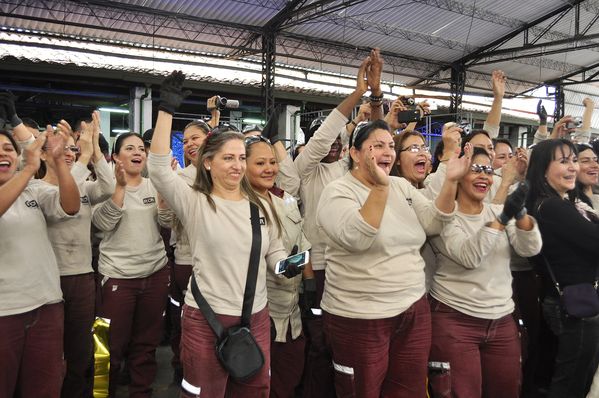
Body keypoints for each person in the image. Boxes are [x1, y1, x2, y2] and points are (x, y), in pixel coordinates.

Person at [147, 70, 290, 397]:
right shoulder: (195, 202)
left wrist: (286, 266)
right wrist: (166, 110)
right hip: (205, 319)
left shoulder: (261, 206)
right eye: (229, 158)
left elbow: (274, 251)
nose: (238, 165)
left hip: (255, 319)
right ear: (207, 163)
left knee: (255, 391)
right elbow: (157, 169)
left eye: (241, 158)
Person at [316, 119, 470, 397]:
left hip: (412, 308)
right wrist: (380, 187)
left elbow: (435, 222)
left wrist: (450, 181)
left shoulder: (401, 186)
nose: (387, 152)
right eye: (377, 146)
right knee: (362, 390)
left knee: (408, 389)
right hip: (360, 316)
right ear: (355, 153)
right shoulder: (338, 192)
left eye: (390, 145)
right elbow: (358, 238)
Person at [296, 49, 384, 398]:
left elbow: (376, 140)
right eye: (325, 141)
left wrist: (375, 97)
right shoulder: (304, 172)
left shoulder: (350, 169)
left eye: (338, 141)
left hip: (349, 266)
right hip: (315, 268)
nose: (331, 145)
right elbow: (319, 142)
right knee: (318, 342)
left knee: (347, 346)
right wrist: (357, 93)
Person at [427, 147, 542, 398]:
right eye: (476, 169)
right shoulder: (442, 217)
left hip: (501, 320)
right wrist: (503, 215)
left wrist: (520, 213)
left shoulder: (495, 211)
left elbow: (529, 248)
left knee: (507, 390)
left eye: (488, 170)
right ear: (458, 174)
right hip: (454, 319)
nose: (484, 176)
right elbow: (469, 256)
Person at [0, 128, 80, 398]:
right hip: (4, 313)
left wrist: (57, 160)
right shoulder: (25, 179)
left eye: (8, 148)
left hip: (45, 305)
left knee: (44, 388)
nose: (3, 153)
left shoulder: (32, 190)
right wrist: (28, 169)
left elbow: (70, 206)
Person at [40, 111, 114, 398]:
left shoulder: (83, 185)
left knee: (83, 347)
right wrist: (83, 159)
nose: (69, 153)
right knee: (51, 350)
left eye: (73, 148)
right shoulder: (37, 189)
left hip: (83, 276)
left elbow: (107, 186)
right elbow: (62, 200)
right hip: (51, 280)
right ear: (44, 155)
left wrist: (94, 150)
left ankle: (82, 391)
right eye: (61, 149)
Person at [92, 132, 171, 397]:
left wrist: (165, 198)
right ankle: (102, 393)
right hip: (116, 277)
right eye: (129, 148)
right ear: (115, 157)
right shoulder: (103, 187)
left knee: (146, 344)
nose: (138, 152)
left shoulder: (154, 186)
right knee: (105, 345)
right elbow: (102, 224)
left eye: (141, 148)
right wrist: (120, 188)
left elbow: (168, 222)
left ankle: (141, 391)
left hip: (155, 274)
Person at [526, 138, 599, 398]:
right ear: (543, 168)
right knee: (571, 382)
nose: (573, 168)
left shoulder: (567, 202)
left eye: (574, 161)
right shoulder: (552, 207)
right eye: (563, 161)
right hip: (572, 304)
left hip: (575, 300)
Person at [244, 134, 314, 397]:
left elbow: (303, 244)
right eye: (260, 163)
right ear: (243, 165)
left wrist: (309, 282)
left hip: (292, 311)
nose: (269, 169)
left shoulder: (285, 200)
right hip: (261, 312)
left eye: (272, 162)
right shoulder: (241, 206)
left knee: (290, 374)